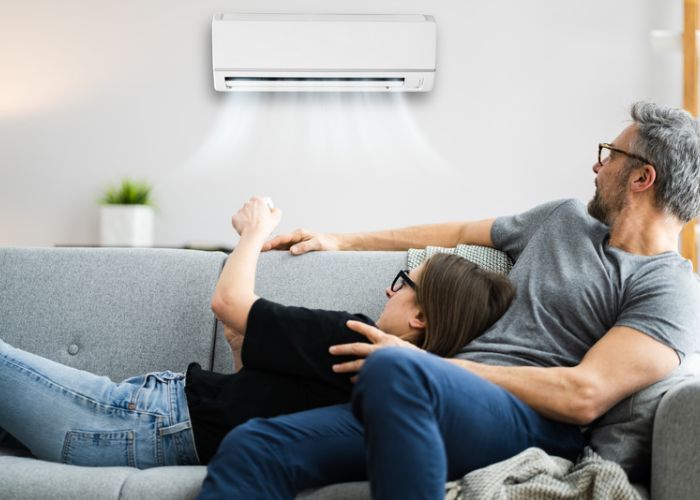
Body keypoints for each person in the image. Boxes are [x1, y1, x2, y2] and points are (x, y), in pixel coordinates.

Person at [198, 102, 700, 499]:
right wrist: (342, 240)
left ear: (642, 177)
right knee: (253, 445)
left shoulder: (669, 288)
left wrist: (427, 364)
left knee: (392, 370)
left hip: (529, 421)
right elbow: (460, 230)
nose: (597, 163)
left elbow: (583, 394)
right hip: (429, 398)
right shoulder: (562, 219)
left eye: (610, 154)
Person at [0, 198, 515, 468]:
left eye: (404, 283)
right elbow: (264, 395)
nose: (389, 291)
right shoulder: (391, 383)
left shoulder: (353, 336)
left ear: (421, 317)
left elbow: (228, 301)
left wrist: (254, 230)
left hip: (136, 422)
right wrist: (244, 347)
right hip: (148, 420)